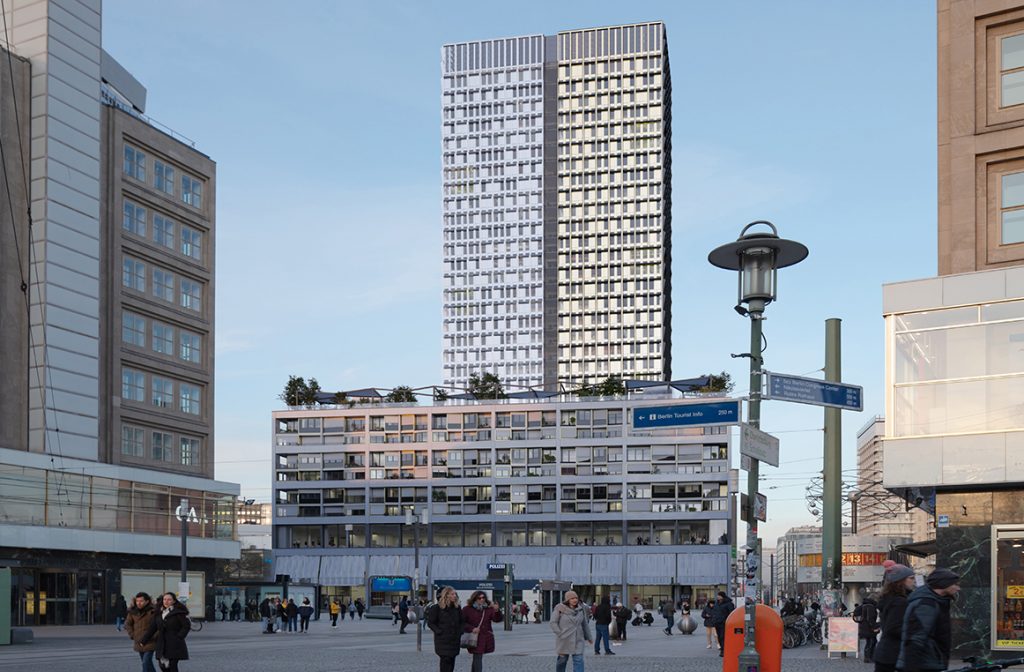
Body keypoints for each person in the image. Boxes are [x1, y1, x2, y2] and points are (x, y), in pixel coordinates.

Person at [896, 568, 960, 672]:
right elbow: (916, 638)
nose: (958, 588)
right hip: (924, 664)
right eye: (955, 584)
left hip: (929, 662)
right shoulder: (926, 604)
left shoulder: (936, 600)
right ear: (944, 584)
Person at [873, 561, 916, 672]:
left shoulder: (890, 598)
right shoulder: (899, 602)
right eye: (911, 578)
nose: (914, 581)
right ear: (901, 581)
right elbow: (894, 628)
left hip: (887, 654)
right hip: (893, 655)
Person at [140, 592, 189, 672]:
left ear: (174, 601)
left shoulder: (179, 613)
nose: (166, 601)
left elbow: (186, 626)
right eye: (164, 599)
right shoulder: (159, 613)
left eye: (169, 600)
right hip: (162, 644)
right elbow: (152, 629)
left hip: (174, 644)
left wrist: (179, 636)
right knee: (163, 667)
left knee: (172, 666)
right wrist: (143, 641)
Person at [551, 590, 593, 672]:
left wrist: (589, 637)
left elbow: (584, 624)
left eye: (576, 598)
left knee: (579, 660)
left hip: (578, 639)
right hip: (564, 639)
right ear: (567, 600)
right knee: (562, 661)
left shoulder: (580, 609)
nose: (575, 600)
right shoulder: (559, 609)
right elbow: (553, 622)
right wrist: (560, 633)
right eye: (572, 598)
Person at [462, 590, 503, 672]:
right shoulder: (467, 609)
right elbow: (461, 623)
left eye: (483, 598)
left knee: (477, 656)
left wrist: (497, 610)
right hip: (473, 637)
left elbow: (497, 619)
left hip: (485, 637)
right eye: (479, 598)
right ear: (474, 599)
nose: (481, 599)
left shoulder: (488, 609)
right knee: (477, 656)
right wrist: (472, 628)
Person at [427, 586, 464, 672]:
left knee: (452, 661)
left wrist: (460, 631)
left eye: (455, 594)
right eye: (452, 594)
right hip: (442, 640)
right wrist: (439, 631)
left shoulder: (457, 608)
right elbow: (431, 623)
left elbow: (462, 621)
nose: (455, 596)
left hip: (454, 640)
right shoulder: (436, 608)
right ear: (446, 595)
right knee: (445, 661)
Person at [125, 592, 158, 672]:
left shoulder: (153, 611)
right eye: (137, 601)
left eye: (141, 601)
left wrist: (155, 636)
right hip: (138, 640)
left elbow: (158, 625)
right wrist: (132, 634)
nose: (139, 603)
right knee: (147, 663)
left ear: (147, 601)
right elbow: (127, 624)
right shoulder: (133, 612)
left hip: (150, 641)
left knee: (145, 662)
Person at [853, 596, 879, 664]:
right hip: (869, 628)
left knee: (870, 641)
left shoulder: (863, 605)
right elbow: (870, 619)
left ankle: (868, 657)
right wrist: (874, 627)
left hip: (863, 627)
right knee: (871, 641)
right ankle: (868, 657)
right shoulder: (870, 607)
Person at [711, 592, 735, 658]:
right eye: (717, 595)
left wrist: (726, 621)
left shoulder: (729, 604)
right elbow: (714, 613)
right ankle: (722, 649)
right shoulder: (716, 604)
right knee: (719, 637)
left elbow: (731, 613)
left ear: (722, 596)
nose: (718, 597)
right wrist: (713, 621)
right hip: (717, 623)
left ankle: (724, 651)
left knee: (723, 637)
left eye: (719, 595)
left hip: (725, 623)